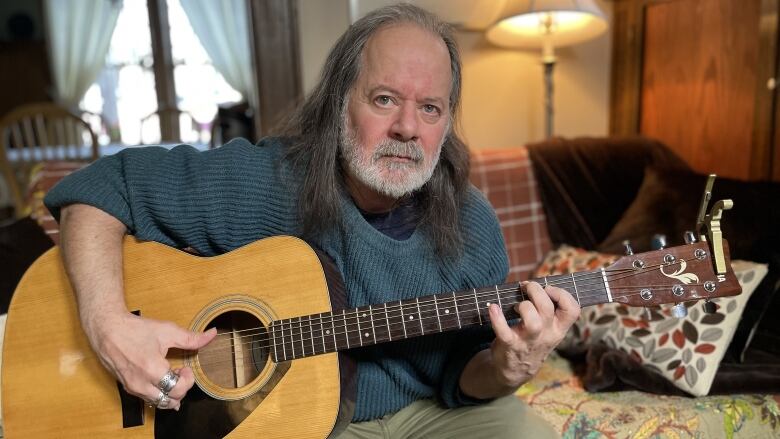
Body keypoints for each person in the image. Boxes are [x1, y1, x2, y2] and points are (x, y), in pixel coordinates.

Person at [45, 4, 579, 438]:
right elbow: (99, 188)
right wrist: (109, 326)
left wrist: (510, 369)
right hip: (302, 421)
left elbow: (464, 376)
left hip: (428, 414)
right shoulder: (267, 181)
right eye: (384, 99)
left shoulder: (474, 227)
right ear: (340, 104)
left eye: (431, 108)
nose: (407, 128)